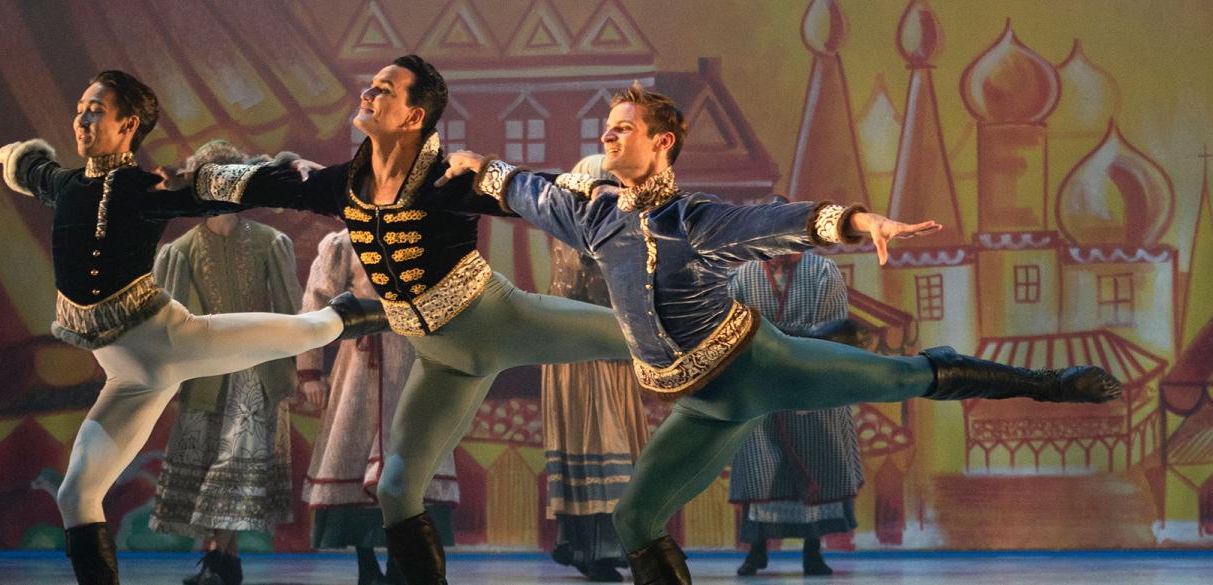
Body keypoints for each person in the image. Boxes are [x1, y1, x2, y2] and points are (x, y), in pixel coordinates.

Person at [440, 83, 1121, 585]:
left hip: (756, 364)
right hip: (699, 404)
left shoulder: (696, 220)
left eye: (622, 129)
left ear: (661, 142)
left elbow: (784, 221)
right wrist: (481, 167)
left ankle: (1053, 383)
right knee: (634, 521)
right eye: (606, 131)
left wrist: (860, 223)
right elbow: (525, 190)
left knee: (906, 376)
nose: (608, 138)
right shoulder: (594, 218)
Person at [171, 54, 629, 585]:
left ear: (414, 117)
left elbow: (540, 195)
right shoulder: (347, 184)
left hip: (497, 320)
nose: (368, 94)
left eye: (385, 90)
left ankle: (734, 345)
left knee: (633, 336)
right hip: (437, 358)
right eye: (371, 86)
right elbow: (273, 183)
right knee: (394, 491)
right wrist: (200, 180)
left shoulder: (446, 179)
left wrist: (580, 187)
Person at [0, 70, 386, 585]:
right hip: (127, 376)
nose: (82, 118)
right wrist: (14, 157)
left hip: (171, 341)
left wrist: (294, 176)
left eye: (95, 109)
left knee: (307, 329)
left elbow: (225, 187)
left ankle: (359, 313)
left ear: (128, 124)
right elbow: (36, 169)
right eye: (81, 107)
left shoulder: (146, 187)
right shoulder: (66, 184)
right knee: (76, 494)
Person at [148, 141, 305, 585]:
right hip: (206, 372)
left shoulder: (270, 242)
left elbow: (292, 311)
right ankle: (223, 563)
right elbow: (170, 318)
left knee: (231, 473)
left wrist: (296, 366)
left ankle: (218, 562)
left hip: (255, 374)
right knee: (208, 474)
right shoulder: (179, 251)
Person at [298, 229, 459, 585]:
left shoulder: (420, 232)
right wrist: (309, 370)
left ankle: (402, 564)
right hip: (359, 365)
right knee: (352, 455)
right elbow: (316, 301)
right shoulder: (343, 243)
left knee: (410, 456)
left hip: (412, 360)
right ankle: (366, 564)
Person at [722, 236, 862, 577]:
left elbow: (829, 329)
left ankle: (813, 551)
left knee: (816, 460)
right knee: (762, 469)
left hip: (810, 381)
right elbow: (731, 329)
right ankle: (756, 551)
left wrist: (770, 335)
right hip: (761, 386)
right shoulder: (744, 277)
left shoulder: (822, 272)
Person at [542, 155, 647, 583]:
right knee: (595, 443)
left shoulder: (598, 230)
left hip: (606, 352)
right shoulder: (584, 233)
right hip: (585, 353)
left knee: (599, 446)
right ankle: (595, 547)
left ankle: (591, 544)